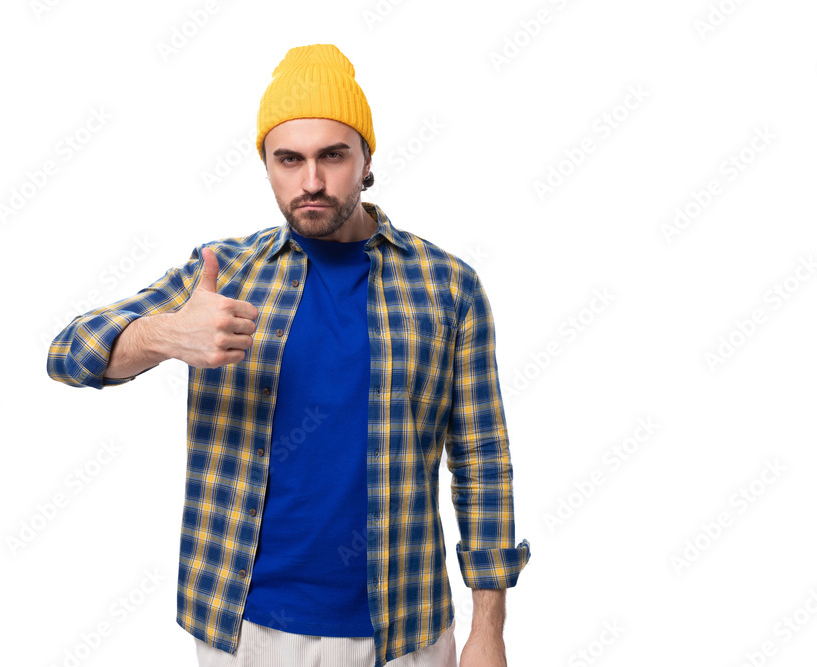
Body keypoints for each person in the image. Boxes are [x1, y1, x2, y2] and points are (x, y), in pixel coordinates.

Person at [47, 43, 531, 667]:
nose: (311, 181)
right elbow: (68, 354)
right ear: (266, 165)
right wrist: (162, 335)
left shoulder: (446, 286)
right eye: (289, 159)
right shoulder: (224, 274)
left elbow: (482, 459)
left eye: (333, 155)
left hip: (405, 629)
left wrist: (488, 631)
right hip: (243, 628)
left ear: (367, 160)